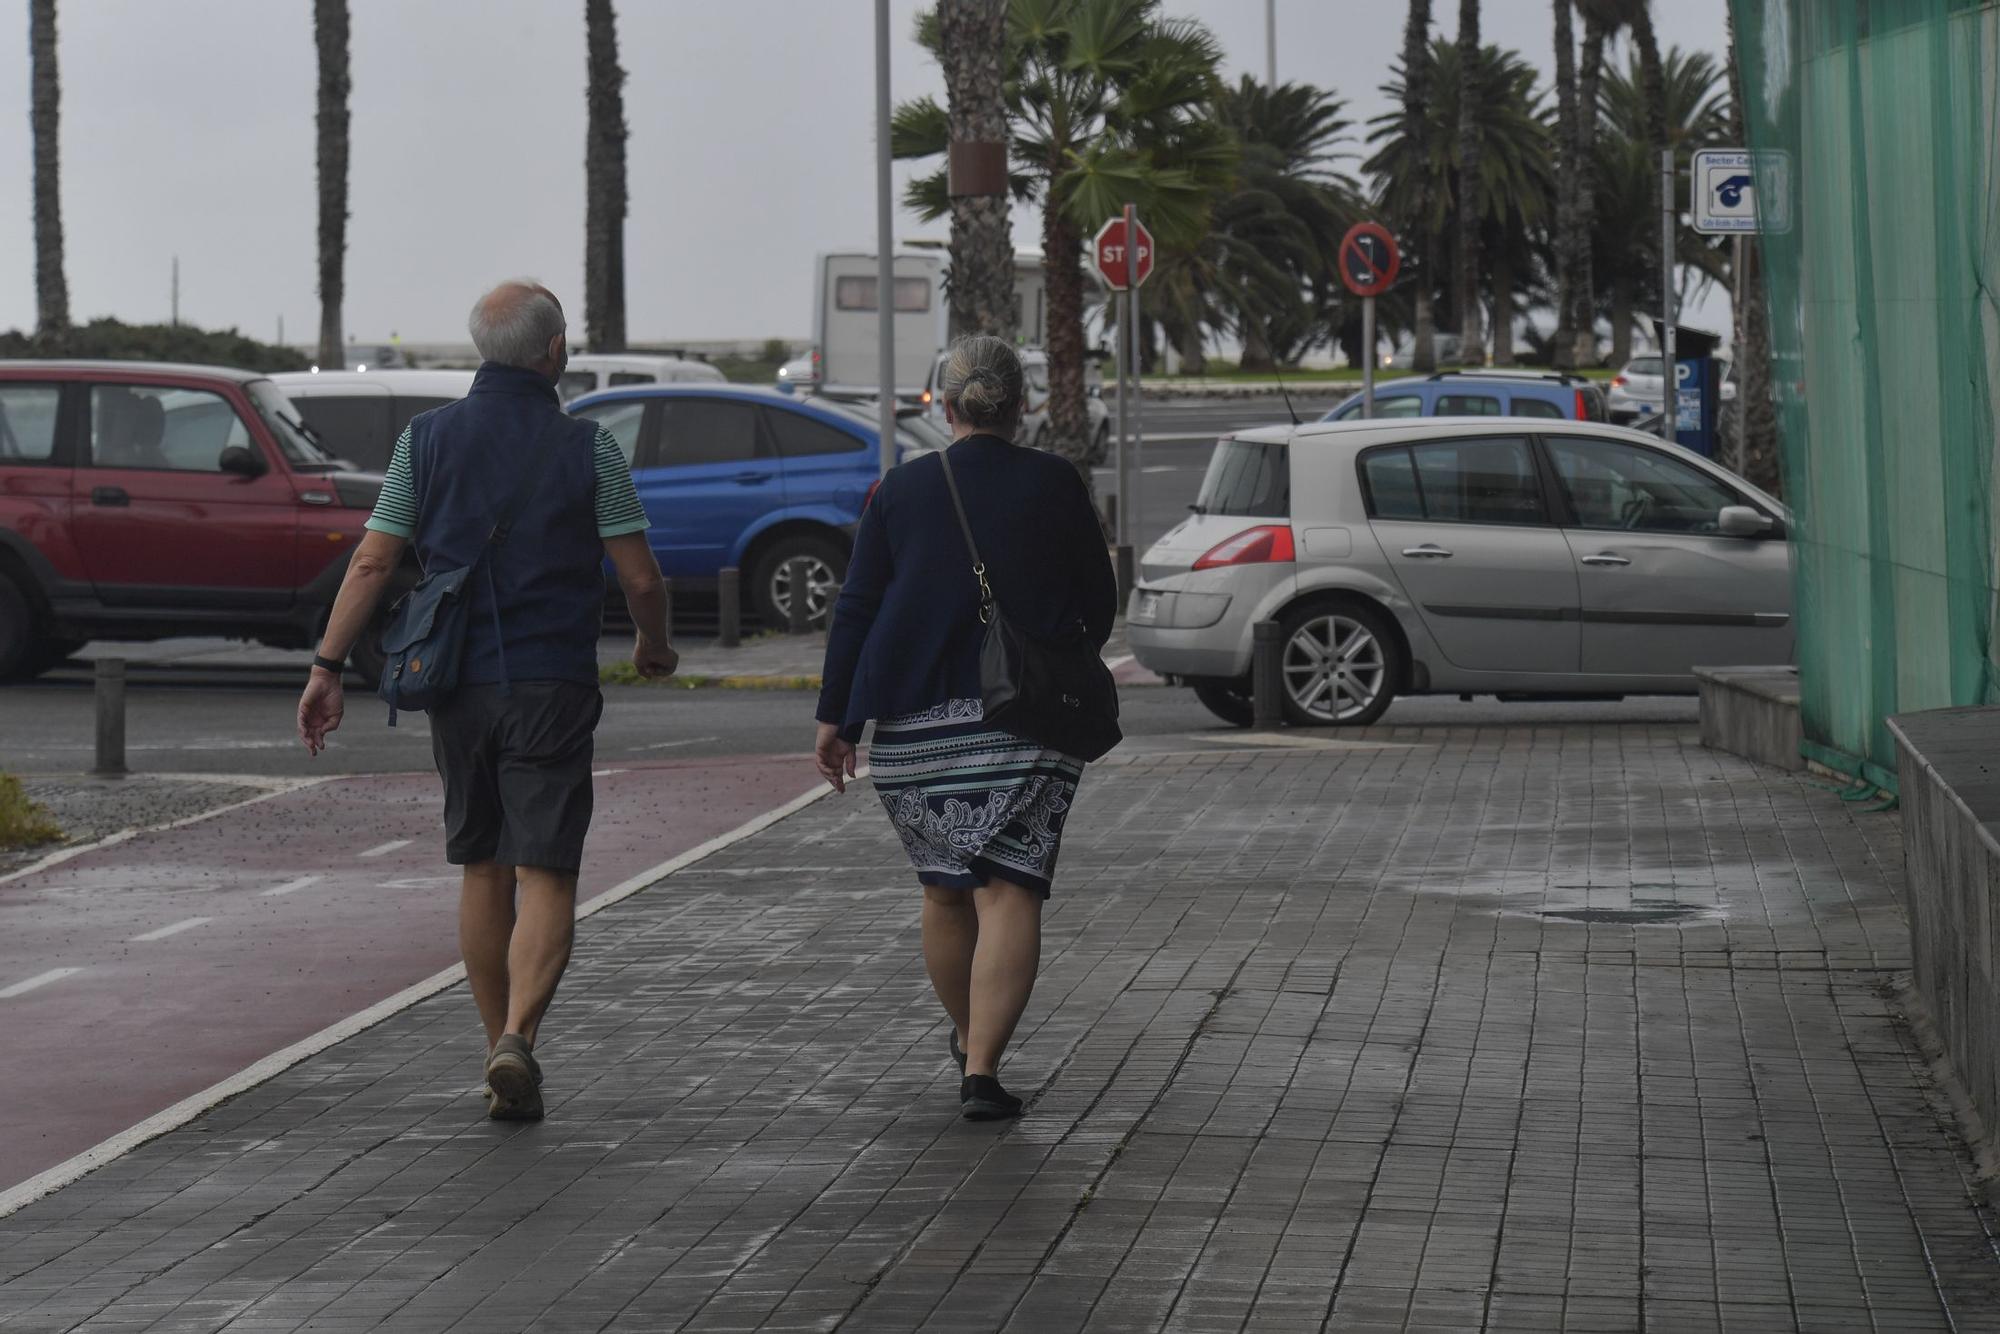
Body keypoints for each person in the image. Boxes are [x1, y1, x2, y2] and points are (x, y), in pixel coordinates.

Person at [296, 280, 679, 1122]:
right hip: (552, 681)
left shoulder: (423, 441)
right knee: (547, 870)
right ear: (554, 353)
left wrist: (327, 664)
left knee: (481, 863)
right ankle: (520, 1037)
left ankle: (492, 1051)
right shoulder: (590, 448)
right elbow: (641, 575)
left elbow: (371, 562)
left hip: (455, 682)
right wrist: (654, 645)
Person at [814, 335, 1117, 1121]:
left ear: (944, 408)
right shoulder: (1054, 482)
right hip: (1025, 720)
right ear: (1021, 407)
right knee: (1011, 889)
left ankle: (966, 1032)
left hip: (912, 730)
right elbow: (1099, 598)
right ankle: (981, 1068)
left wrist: (836, 718)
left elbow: (857, 608)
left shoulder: (899, 493)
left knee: (947, 893)